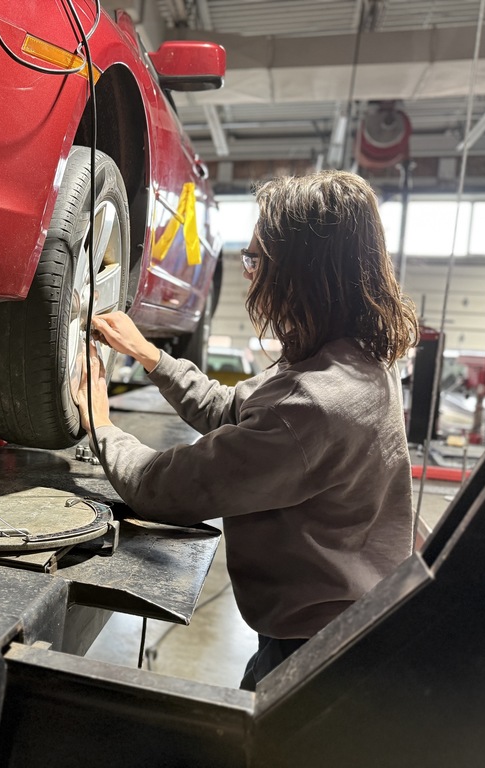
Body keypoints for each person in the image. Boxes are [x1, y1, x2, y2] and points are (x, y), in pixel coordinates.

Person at [76, 170, 419, 691]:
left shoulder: (315, 403)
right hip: (347, 623)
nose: (248, 275)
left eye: (256, 259)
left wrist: (99, 421)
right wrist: (149, 356)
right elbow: (235, 411)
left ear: (303, 274)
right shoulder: (354, 359)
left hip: (318, 654)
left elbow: (163, 488)